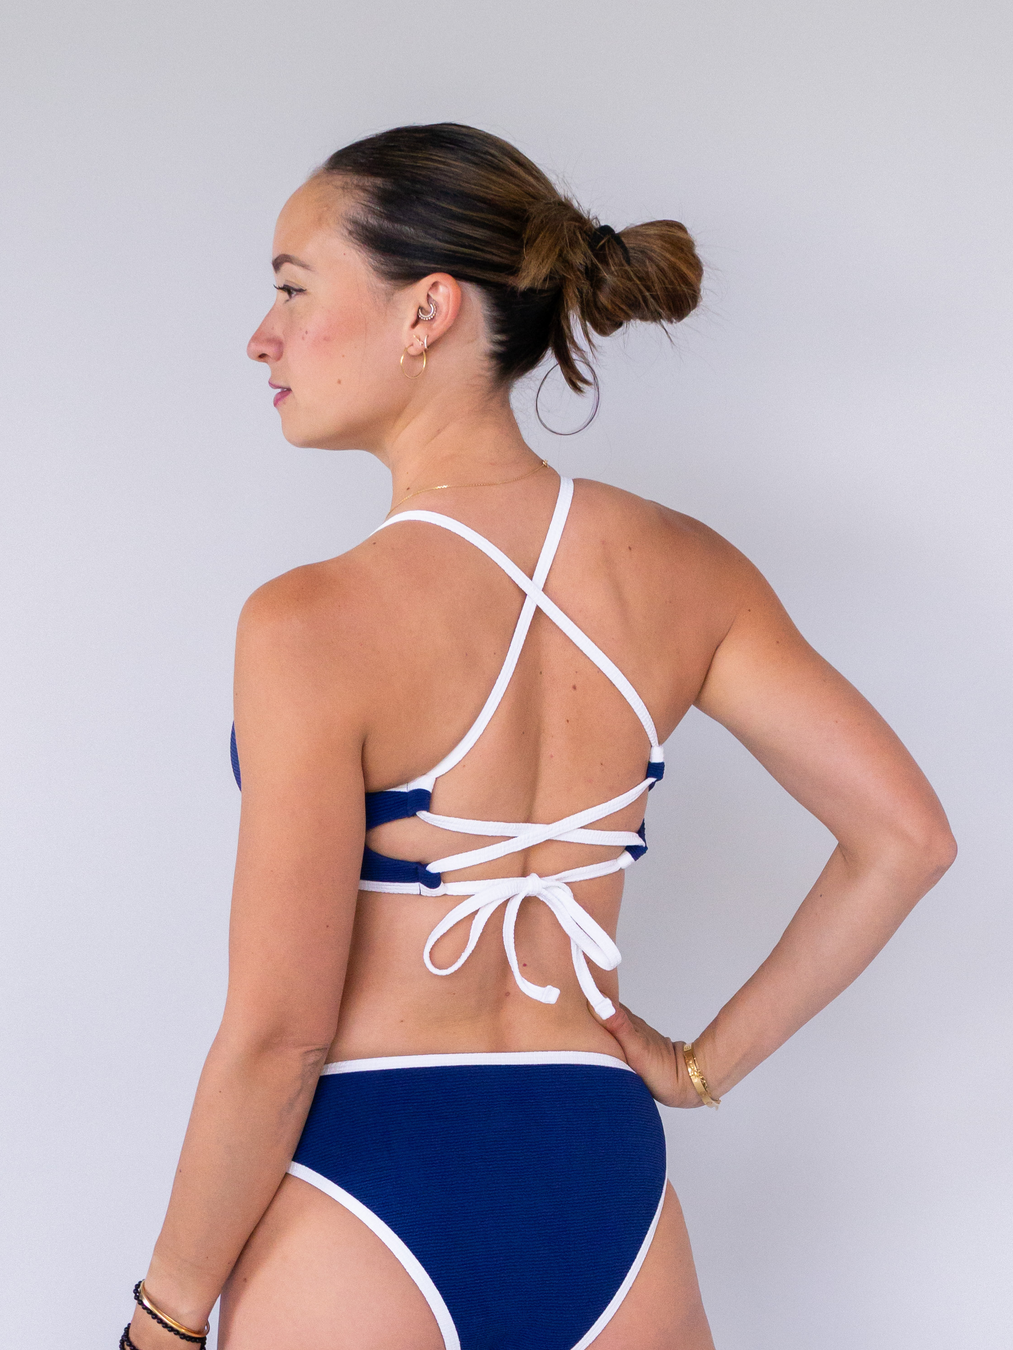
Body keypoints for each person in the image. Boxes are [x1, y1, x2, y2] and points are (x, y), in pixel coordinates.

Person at [122, 123, 956, 1350]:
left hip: (365, 1189)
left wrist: (166, 1312)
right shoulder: (688, 572)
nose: (264, 335)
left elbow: (279, 1037)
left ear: (427, 310)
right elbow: (907, 838)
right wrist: (700, 1067)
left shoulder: (309, 625)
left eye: (293, 288)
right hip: (604, 1183)